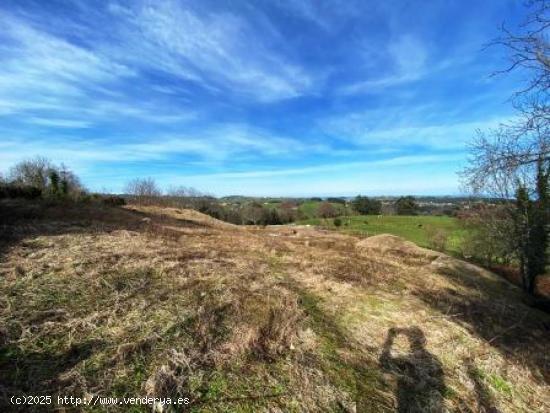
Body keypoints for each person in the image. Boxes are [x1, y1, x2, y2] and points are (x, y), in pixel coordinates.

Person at [379, 327, 445, 412]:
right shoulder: (407, 361)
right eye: (412, 339)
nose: (413, 343)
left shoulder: (431, 362)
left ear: (423, 341)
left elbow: (424, 385)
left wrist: (401, 378)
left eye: (415, 339)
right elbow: (384, 362)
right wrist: (390, 339)